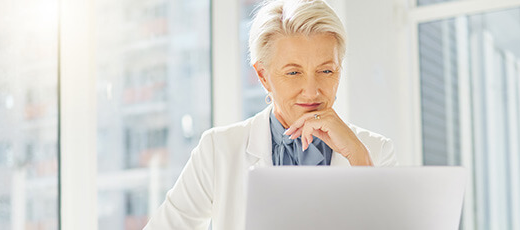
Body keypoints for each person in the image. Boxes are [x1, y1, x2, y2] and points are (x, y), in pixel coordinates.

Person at [144, 0, 398, 229]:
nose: (311, 92)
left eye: (326, 71)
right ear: (263, 76)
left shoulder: (374, 152)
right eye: (293, 73)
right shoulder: (219, 150)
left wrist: (359, 159)